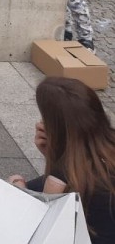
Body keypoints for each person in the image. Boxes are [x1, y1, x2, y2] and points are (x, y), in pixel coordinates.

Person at [8, 77, 115, 243]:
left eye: (45, 118)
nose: (40, 122)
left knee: (15, 186)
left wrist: (18, 187)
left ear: (57, 128)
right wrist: (50, 154)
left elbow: (44, 228)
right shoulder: (105, 145)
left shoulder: (60, 178)